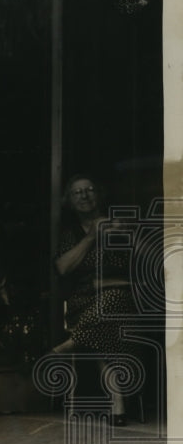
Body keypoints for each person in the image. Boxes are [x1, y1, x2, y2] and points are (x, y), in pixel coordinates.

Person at [53, 174, 138, 426]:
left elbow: (141, 264)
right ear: (68, 201)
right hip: (84, 304)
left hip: (123, 300)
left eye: (89, 189)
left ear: (99, 195)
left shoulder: (119, 225)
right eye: (77, 192)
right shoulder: (70, 234)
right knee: (104, 328)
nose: (85, 195)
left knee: (111, 304)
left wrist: (126, 235)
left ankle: (66, 346)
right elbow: (62, 268)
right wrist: (91, 237)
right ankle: (117, 406)